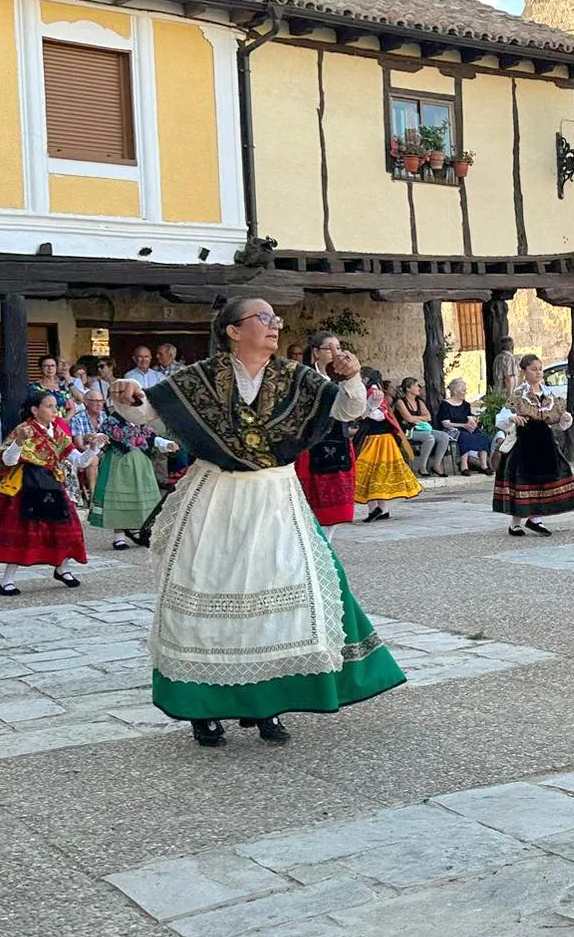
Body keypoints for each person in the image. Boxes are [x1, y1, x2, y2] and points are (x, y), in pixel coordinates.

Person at [109, 298, 404, 748]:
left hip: (274, 497)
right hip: (215, 498)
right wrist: (129, 394)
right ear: (232, 330)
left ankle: (268, 704)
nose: (274, 326)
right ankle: (200, 709)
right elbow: (149, 409)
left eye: (275, 319)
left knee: (282, 595)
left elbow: (347, 411)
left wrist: (349, 377)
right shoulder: (201, 378)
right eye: (263, 318)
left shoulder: (296, 378)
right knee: (207, 590)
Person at [0, 392, 104, 595]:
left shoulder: (59, 433)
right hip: (27, 484)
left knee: (68, 527)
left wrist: (94, 447)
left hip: (52, 483)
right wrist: (19, 442)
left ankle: (62, 568)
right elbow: (7, 460)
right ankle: (6, 580)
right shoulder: (23, 430)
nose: (55, 410)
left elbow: (79, 461)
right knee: (25, 531)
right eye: (49, 406)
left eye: (56, 406)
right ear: (35, 410)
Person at [494, 354, 574, 536]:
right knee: (522, 483)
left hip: (544, 443)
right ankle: (516, 523)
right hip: (523, 442)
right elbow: (502, 418)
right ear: (524, 372)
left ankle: (535, 519)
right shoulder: (519, 394)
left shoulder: (549, 394)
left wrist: (565, 419)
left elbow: (556, 420)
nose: (538, 372)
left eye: (540, 369)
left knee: (542, 481)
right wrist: (513, 417)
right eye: (534, 369)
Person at [294, 331, 358, 538]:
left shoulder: (345, 380)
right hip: (313, 447)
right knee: (311, 508)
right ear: (316, 353)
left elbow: (351, 412)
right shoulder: (307, 378)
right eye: (329, 348)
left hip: (339, 445)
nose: (335, 353)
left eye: (338, 348)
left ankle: (326, 549)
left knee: (335, 511)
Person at [88, 405, 174, 550]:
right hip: (119, 463)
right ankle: (119, 537)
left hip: (142, 464)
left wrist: (166, 444)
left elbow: (152, 438)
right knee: (119, 498)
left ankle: (143, 532)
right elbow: (101, 437)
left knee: (142, 498)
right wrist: (96, 439)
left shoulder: (140, 422)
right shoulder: (111, 422)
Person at [352, 369, 422, 521]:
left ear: (366, 378)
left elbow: (377, 415)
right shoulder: (375, 392)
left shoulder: (372, 392)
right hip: (378, 438)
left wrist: (365, 410)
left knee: (369, 472)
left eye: (361, 377)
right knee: (376, 474)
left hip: (377, 439)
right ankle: (381, 509)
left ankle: (376, 509)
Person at [393, 377, 451, 477]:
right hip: (408, 431)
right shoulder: (400, 402)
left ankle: (436, 465)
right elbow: (408, 419)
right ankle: (422, 467)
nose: (419, 388)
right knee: (429, 438)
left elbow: (428, 417)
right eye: (416, 386)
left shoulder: (419, 401)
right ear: (408, 388)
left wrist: (414, 418)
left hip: (422, 429)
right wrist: (419, 418)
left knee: (443, 436)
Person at [435, 379, 492, 475]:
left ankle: (484, 466)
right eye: (463, 390)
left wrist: (472, 422)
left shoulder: (466, 404)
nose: (465, 392)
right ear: (455, 392)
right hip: (452, 429)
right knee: (464, 436)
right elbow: (446, 424)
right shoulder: (445, 404)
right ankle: (464, 466)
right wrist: (463, 425)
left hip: (465, 427)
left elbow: (469, 417)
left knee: (482, 436)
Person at [68, 389, 110, 503]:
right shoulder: (77, 418)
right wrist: (90, 441)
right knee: (94, 459)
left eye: (101, 401)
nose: (99, 404)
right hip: (86, 451)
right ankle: (93, 496)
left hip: (105, 450)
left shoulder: (105, 416)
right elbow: (79, 444)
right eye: (95, 401)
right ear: (86, 402)